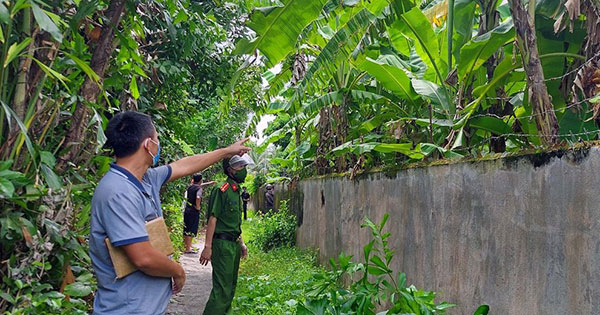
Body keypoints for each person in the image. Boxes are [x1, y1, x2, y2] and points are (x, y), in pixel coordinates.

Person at [89, 111, 249, 315]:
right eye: (157, 139)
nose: (158, 144)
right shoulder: (117, 191)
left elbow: (186, 164)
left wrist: (227, 151)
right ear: (148, 145)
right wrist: (178, 271)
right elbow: (143, 258)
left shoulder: (145, 179)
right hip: (126, 309)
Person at [199, 154, 253, 314]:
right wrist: (207, 247)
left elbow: (234, 223)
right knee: (222, 290)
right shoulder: (221, 190)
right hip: (222, 246)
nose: (244, 170)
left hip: (234, 244)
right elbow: (213, 219)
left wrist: (241, 243)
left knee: (230, 288)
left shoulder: (236, 191)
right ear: (230, 170)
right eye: (241, 167)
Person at [183, 173, 216, 254]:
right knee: (191, 228)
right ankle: (188, 249)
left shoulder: (190, 186)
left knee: (186, 227)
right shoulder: (199, 189)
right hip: (194, 210)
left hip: (187, 209)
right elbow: (198, 197)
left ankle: (187, 246)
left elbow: (199, 185)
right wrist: (198, 207)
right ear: (201, 180)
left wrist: (209, 183)